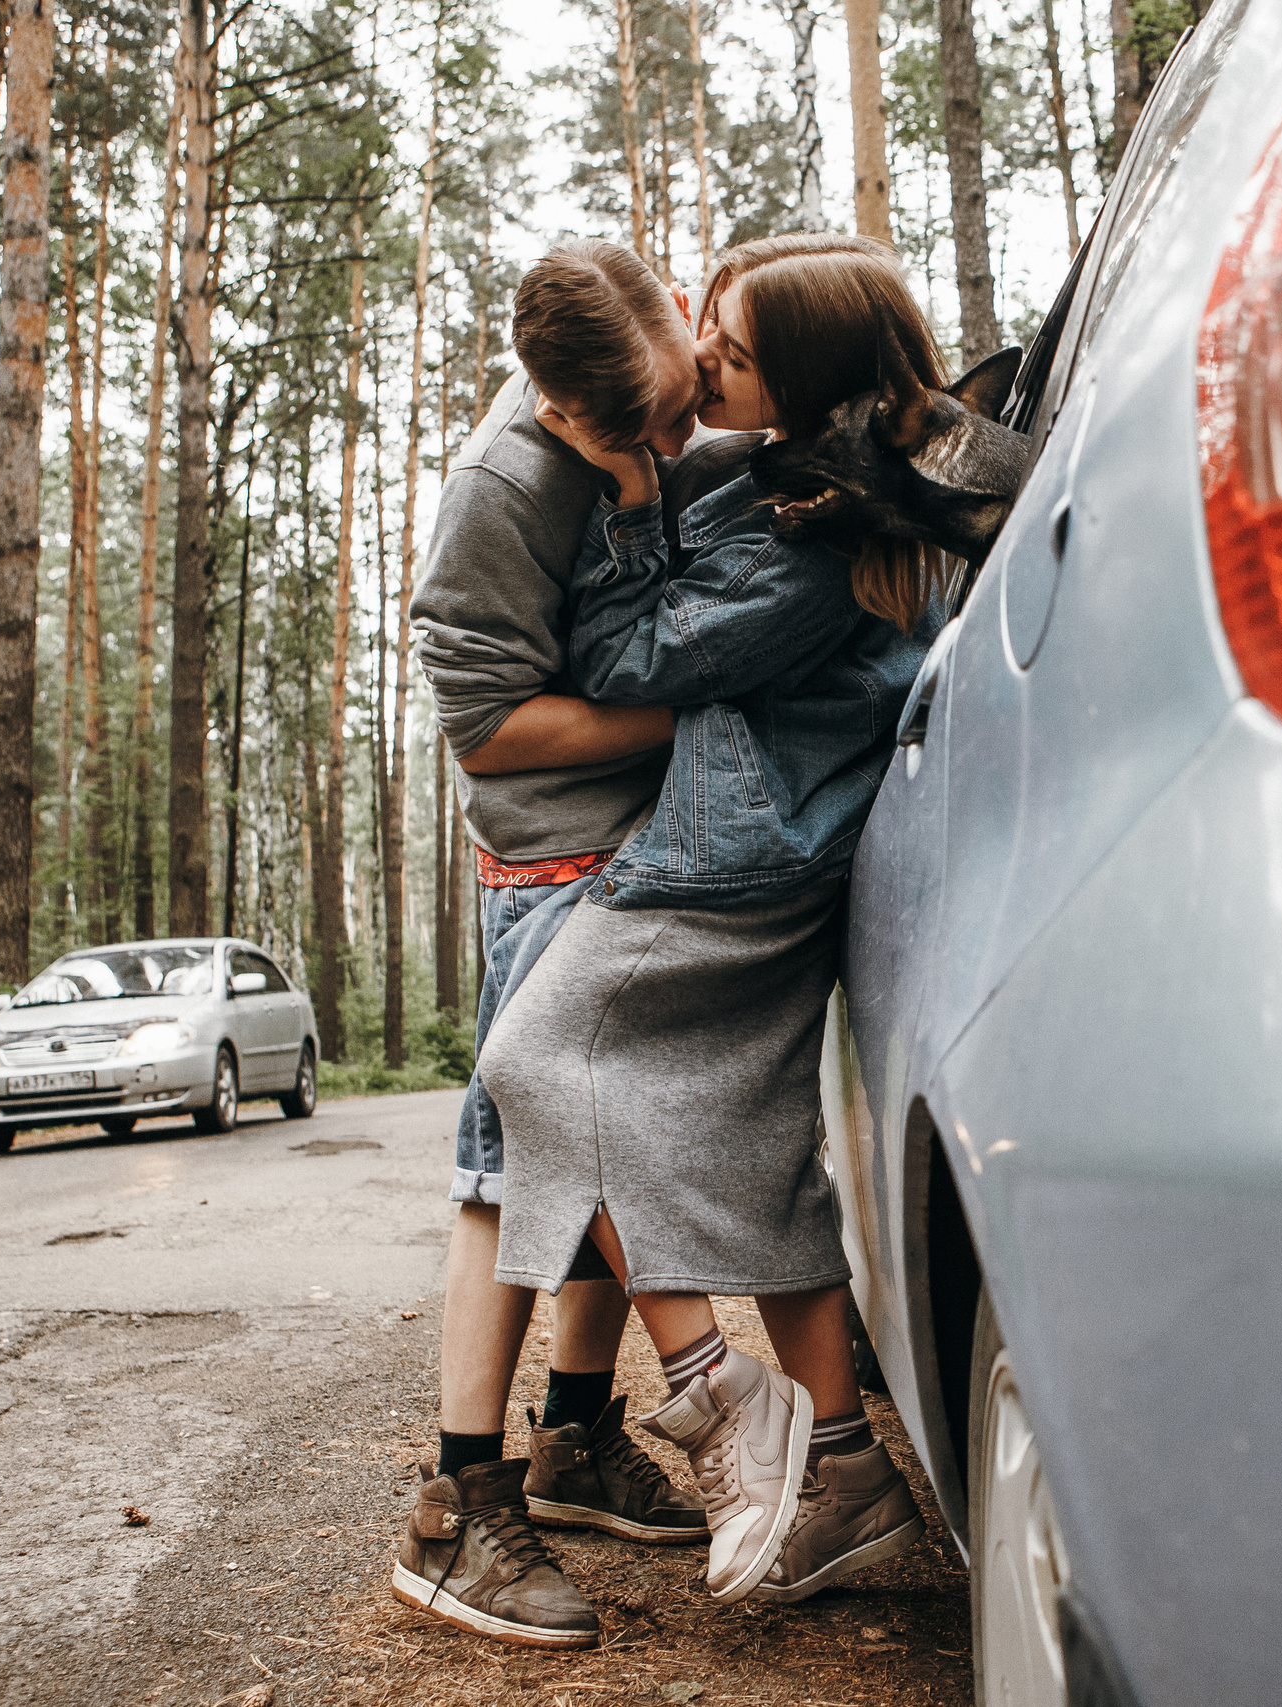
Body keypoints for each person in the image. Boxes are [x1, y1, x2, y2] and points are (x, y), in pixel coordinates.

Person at [480, 232, 938, 1607]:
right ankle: (848, 1474)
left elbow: (628, 656)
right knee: (763, 1151)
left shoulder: (818, 532)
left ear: (793, 379)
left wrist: (626, 487)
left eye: (728, 351)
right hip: (774, 842)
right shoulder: (816, 480)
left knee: (533, 1068)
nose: (705, 360)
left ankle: (711, 1394)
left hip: (728, 860)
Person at [397, 238, 748, 1648]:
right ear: (561, 418)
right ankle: (455, 1507)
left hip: (644, 836)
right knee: (514, 1164)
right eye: (651, 433)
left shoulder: (657, 405)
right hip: (549, 851)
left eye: (687, 406)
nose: (680, 443)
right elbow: (485, 731)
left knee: (614, 1137)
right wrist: (700, 714)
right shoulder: (502, 491)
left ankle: (577, 1441)